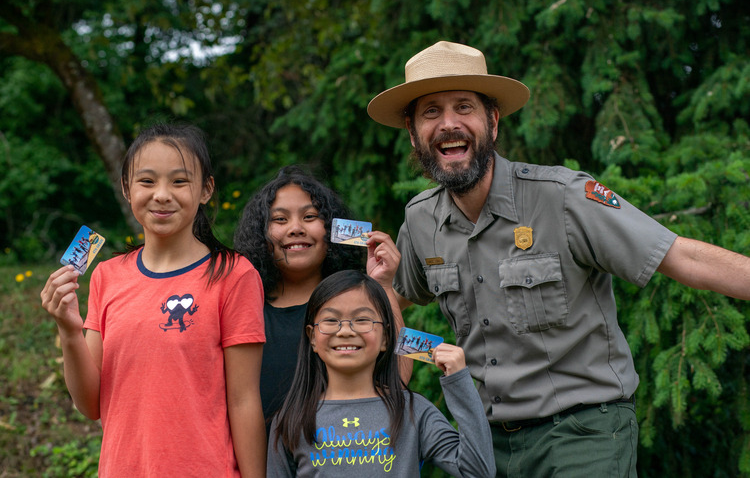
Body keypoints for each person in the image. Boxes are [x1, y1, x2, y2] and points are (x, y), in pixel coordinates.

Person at [367, 40, 750, 477]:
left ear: (492, 121)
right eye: (430, 112)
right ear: (413, 132)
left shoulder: (564, 198)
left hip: (583, 435)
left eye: (464, 107)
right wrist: (387, 307)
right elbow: (399, 302)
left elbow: (679, 256)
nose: (448, 124)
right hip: (488, 446)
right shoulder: (420, 221)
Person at [40, 122, 266, 477]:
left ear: (206, 189)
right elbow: (90, 404)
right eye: (147, 181)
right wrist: (69, 332)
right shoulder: (106, 276)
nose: (162, 194)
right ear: (127, 190)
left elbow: (244, 400)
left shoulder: (233, 275)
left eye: (179, 181)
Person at [266, 270, 495, 477]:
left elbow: (478, 471)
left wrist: (459, 382)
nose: (345, 330)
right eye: (331, 320)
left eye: (362, 320)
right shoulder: (291, 419)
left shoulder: (413, 411)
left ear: (386, 337)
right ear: (313, 337)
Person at [233, 166, 403, 431]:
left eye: (310, 216)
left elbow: (398, 379)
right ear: (261, 235)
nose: (296, 228)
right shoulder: (244, 308)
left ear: (333, 230)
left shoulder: (355, 299)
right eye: (279, 219)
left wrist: (383, 286)